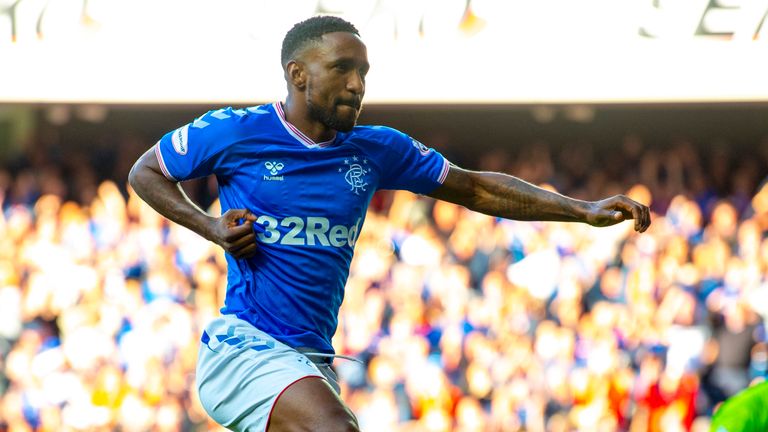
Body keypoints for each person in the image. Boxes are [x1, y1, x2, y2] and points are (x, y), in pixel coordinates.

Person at [128, 15, 651, 432]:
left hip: (309, 363)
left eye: (364, 73)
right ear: (298, 74)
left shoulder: (377, 148)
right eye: (342, 69)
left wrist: (580, 211)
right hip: (244, 350)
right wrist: (210, 227)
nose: (357, 85)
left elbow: (474, 187)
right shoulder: (236, 131)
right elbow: (145, 170)